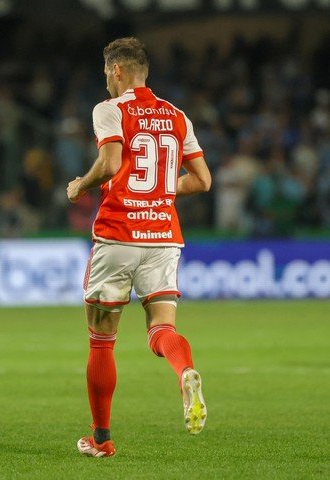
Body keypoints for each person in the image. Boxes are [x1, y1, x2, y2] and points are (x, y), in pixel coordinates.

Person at [66, 37, 212, 458]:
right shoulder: (176, 114)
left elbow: (110, 164)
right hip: (164, 236)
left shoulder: (110, 109)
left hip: (117, 233)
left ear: (116, 71)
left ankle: (102, 439)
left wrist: (80, 184)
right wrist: (161, 191)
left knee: (101, 340)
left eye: (105, 73)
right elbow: (202, 180)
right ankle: (184, 370)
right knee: (162, 329)